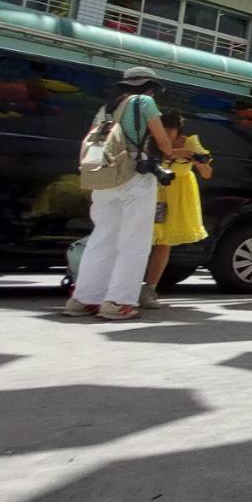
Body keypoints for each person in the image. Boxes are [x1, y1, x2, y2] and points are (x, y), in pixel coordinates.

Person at [65, 67, 175, 321]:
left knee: (102, 238)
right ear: (149, 88)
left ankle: (83, 299)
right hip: (134, 177)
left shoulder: (105, 109)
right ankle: (118, 301)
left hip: (104, 179)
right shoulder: (145, 102)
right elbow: (162, 142)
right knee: (134, 241)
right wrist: (168, 152)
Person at [141, 111, 213, 308]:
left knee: (164, 243)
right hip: (151, 192)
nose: (165, 134)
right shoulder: (148, 141)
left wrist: (199, 162)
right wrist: (172, 153)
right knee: (140, 240)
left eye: (170, 130)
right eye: (162, 129)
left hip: (177, 197)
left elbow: (207, 173)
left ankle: (149, 289)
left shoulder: (190, 142)